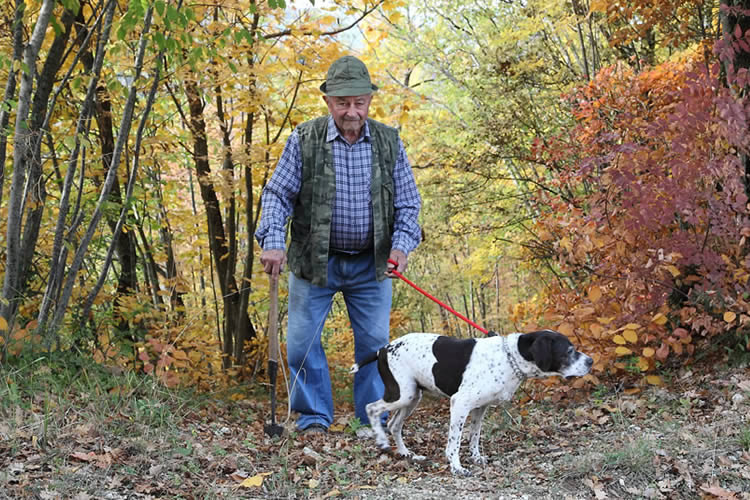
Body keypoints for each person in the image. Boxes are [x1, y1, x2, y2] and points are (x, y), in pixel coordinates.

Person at [255, 55, 422, 434]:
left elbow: (409, 202)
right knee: (300, 345)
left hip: (371, 263)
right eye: (342, 102)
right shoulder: (304, 139)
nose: (351, 111)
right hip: (315, 262)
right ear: (328, 102)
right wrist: (272, 241)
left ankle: (371, 419)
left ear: (368, 101)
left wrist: (401, 246)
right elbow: (277, 195)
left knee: (375, 348)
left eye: (358, 102)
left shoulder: (388, 142)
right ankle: (314, 417)